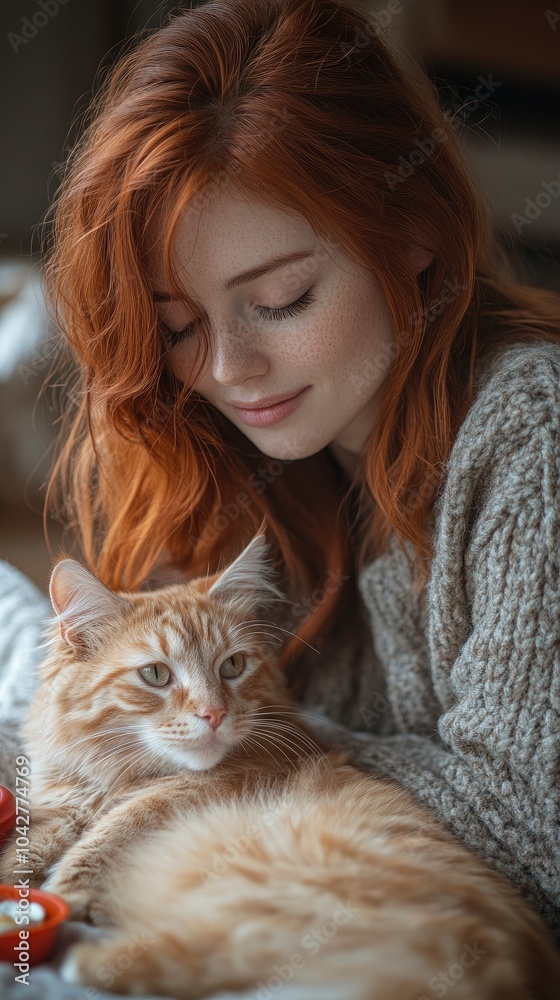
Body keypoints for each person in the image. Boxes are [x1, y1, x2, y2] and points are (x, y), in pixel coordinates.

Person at [4, 0, 560, 954]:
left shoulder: (531, 440)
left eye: (281, 299)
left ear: (413, 234)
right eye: (180, 325)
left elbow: (531, 842)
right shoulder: (267, 457)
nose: (226, 369)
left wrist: (245, 746)